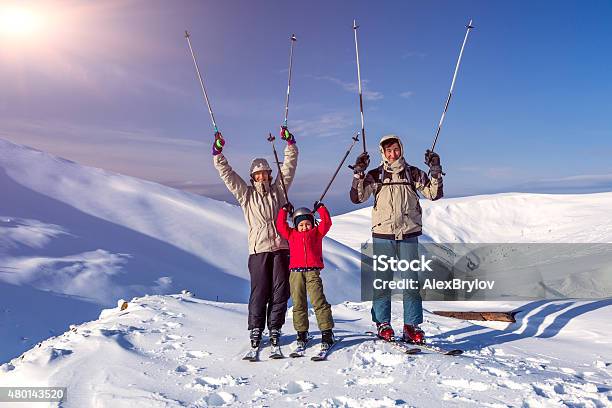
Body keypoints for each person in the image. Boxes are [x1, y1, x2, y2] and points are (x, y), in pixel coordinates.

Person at [349, 134, 443, 343]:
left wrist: (435, 171)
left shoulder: (414, 173)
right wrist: (359, 174)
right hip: (383, 235)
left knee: (411, 282)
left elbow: (434, 194)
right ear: (382, 152)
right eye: (389, 151)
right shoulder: (376, 175)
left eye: (396, 149)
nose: (393, 154)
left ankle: (412, 326)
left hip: (408, 233)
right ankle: (383, 323)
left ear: (401, 149)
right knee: (383, 282)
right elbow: (357, 198)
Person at [212, 127, 298, 349]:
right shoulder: (246, 194)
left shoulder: (279, 191)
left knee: (281, 291)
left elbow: (288, 168)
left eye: (265, 173)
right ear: (252, 177)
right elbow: (228, 176)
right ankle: (256, 328)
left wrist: (290, 144)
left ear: (270, 174)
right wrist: (218, 154)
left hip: (281, 248)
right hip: (258, 250)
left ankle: (276, 327)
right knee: (260, 291)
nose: (262, 176)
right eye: (257, 174)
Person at [276, 202, 335, 352]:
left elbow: (327, 222)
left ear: (312, 223)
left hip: (312, 272)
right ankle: (302, 333)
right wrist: (284, 210)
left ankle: (327, 332)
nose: (304, 227)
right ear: (296, 225)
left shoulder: (317, 233)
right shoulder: (291, 234)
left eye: (307, 224)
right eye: (301, 225)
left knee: (318, 301)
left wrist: (321, 209)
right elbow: (281, 226)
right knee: (298, 303)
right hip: (295, 273)